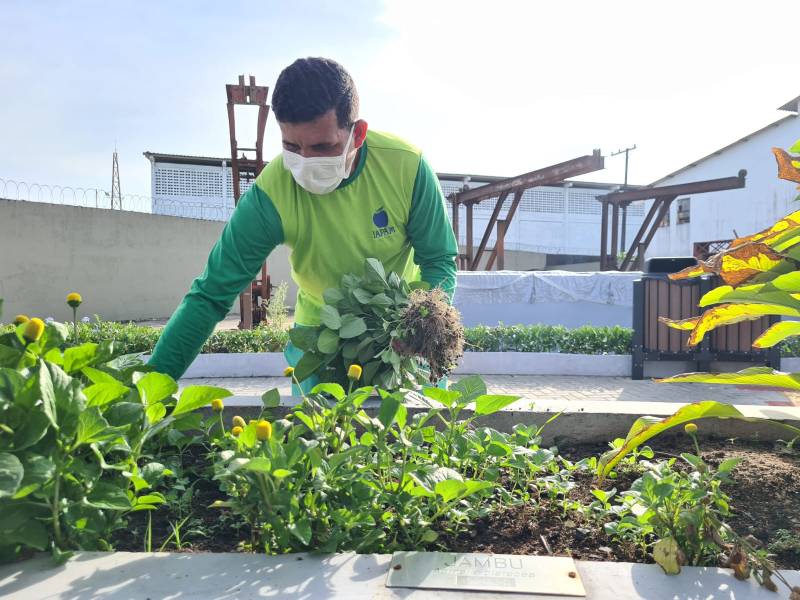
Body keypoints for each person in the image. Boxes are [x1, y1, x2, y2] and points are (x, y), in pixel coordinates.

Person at [148, 57, 458, 392]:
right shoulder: (272, 193)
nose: (306, 162)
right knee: (316, 436)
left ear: (358, 134)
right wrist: (146, 391)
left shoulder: (405, 167)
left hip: (397, 335)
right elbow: (210, 295)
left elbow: (438, 259)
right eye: (291, 147)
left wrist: (420, 327)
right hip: (318, 342)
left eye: (323, 146)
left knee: (415, 436)